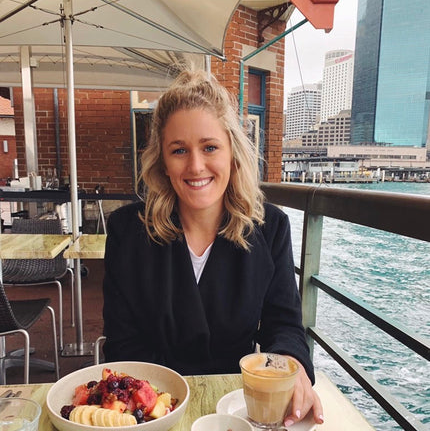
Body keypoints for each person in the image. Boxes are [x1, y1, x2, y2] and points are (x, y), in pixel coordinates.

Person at [103, 69, 324, 427]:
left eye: (209, 147)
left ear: (232, 152)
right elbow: (122, 344)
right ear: (162, 160)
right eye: (179, 150)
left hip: (236, 409)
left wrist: (291, 365)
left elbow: (283, 325)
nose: (195, 166)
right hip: (153, 411)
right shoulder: (128, 231)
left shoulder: (270, 228)